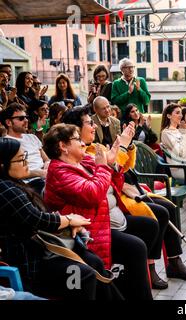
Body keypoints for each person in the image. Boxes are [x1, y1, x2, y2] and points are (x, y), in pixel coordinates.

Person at [61, 106, 186, 289]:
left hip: (122, 195)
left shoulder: (96, 148)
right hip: (111, 208)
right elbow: (105, 178)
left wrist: (129, 146)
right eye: (89, 123)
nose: (94, 126)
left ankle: (173, 261)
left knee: (168, 208)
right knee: (158, 214)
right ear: (75, 130)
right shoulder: (78, 158)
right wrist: (123, 147)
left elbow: (120, 170)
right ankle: (150, 268)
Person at [43, 124, 154, 299]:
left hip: (100, 225)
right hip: (83, 235)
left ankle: (132, 288)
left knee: (143, 236)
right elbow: (93, 194)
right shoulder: (59, 171)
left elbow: (113, 186)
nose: (82, 143)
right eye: (77, 139)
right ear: (63, 146)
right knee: (136, 247)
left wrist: (112, 164)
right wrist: (103, 167)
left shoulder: (84, 161)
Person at [0, 137, 112, 300]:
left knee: (94, 262)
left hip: (46, 247)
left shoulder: (16, 183)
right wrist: (69, 221)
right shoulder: (5, 188)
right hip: (31, 259)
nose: (27, 162)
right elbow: (37, 219)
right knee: (81, 274)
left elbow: (42, 214)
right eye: (21, 159)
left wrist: (68, 224)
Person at [0, 103, 49, 194]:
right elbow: (13, 172)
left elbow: (46, 159)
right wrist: (40, 173)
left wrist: (47, 164)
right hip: (30, 183)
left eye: (26, 117)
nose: (26, 120)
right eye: (21, 118)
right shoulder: (7, 144)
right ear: (8, 122)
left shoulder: (32, 137)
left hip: (47, 176)